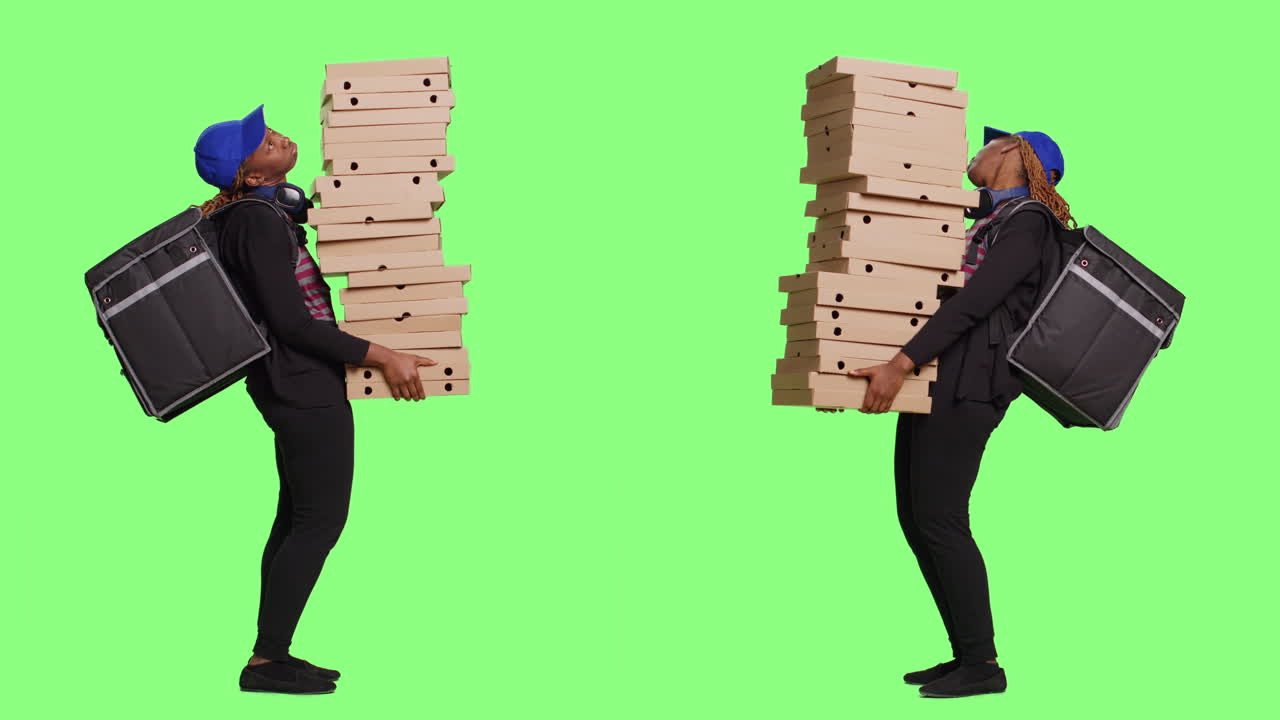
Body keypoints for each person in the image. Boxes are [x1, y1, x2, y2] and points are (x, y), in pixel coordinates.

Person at [193, 104, 438, 694]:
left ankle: (269, 654)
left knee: (296, 518)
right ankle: (266, 662)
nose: (276, 135)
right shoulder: (256, 221)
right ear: (251, 177)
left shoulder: (258, 214)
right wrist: (382, 354)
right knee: (318, 520)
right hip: (301, 384)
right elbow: (291, 322)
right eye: (262, 140)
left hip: (293, 383)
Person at [839, 127, 1076, 698]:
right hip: (941, 376)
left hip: (969, 384)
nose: (978, 148)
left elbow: (975, 302)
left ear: (1013, 156)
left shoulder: (1029, 224)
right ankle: (965, 654)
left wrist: (901, 362)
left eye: (990, 143)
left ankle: (983, 665)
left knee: (941, 519)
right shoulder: (993, 219)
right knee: (917, 517)